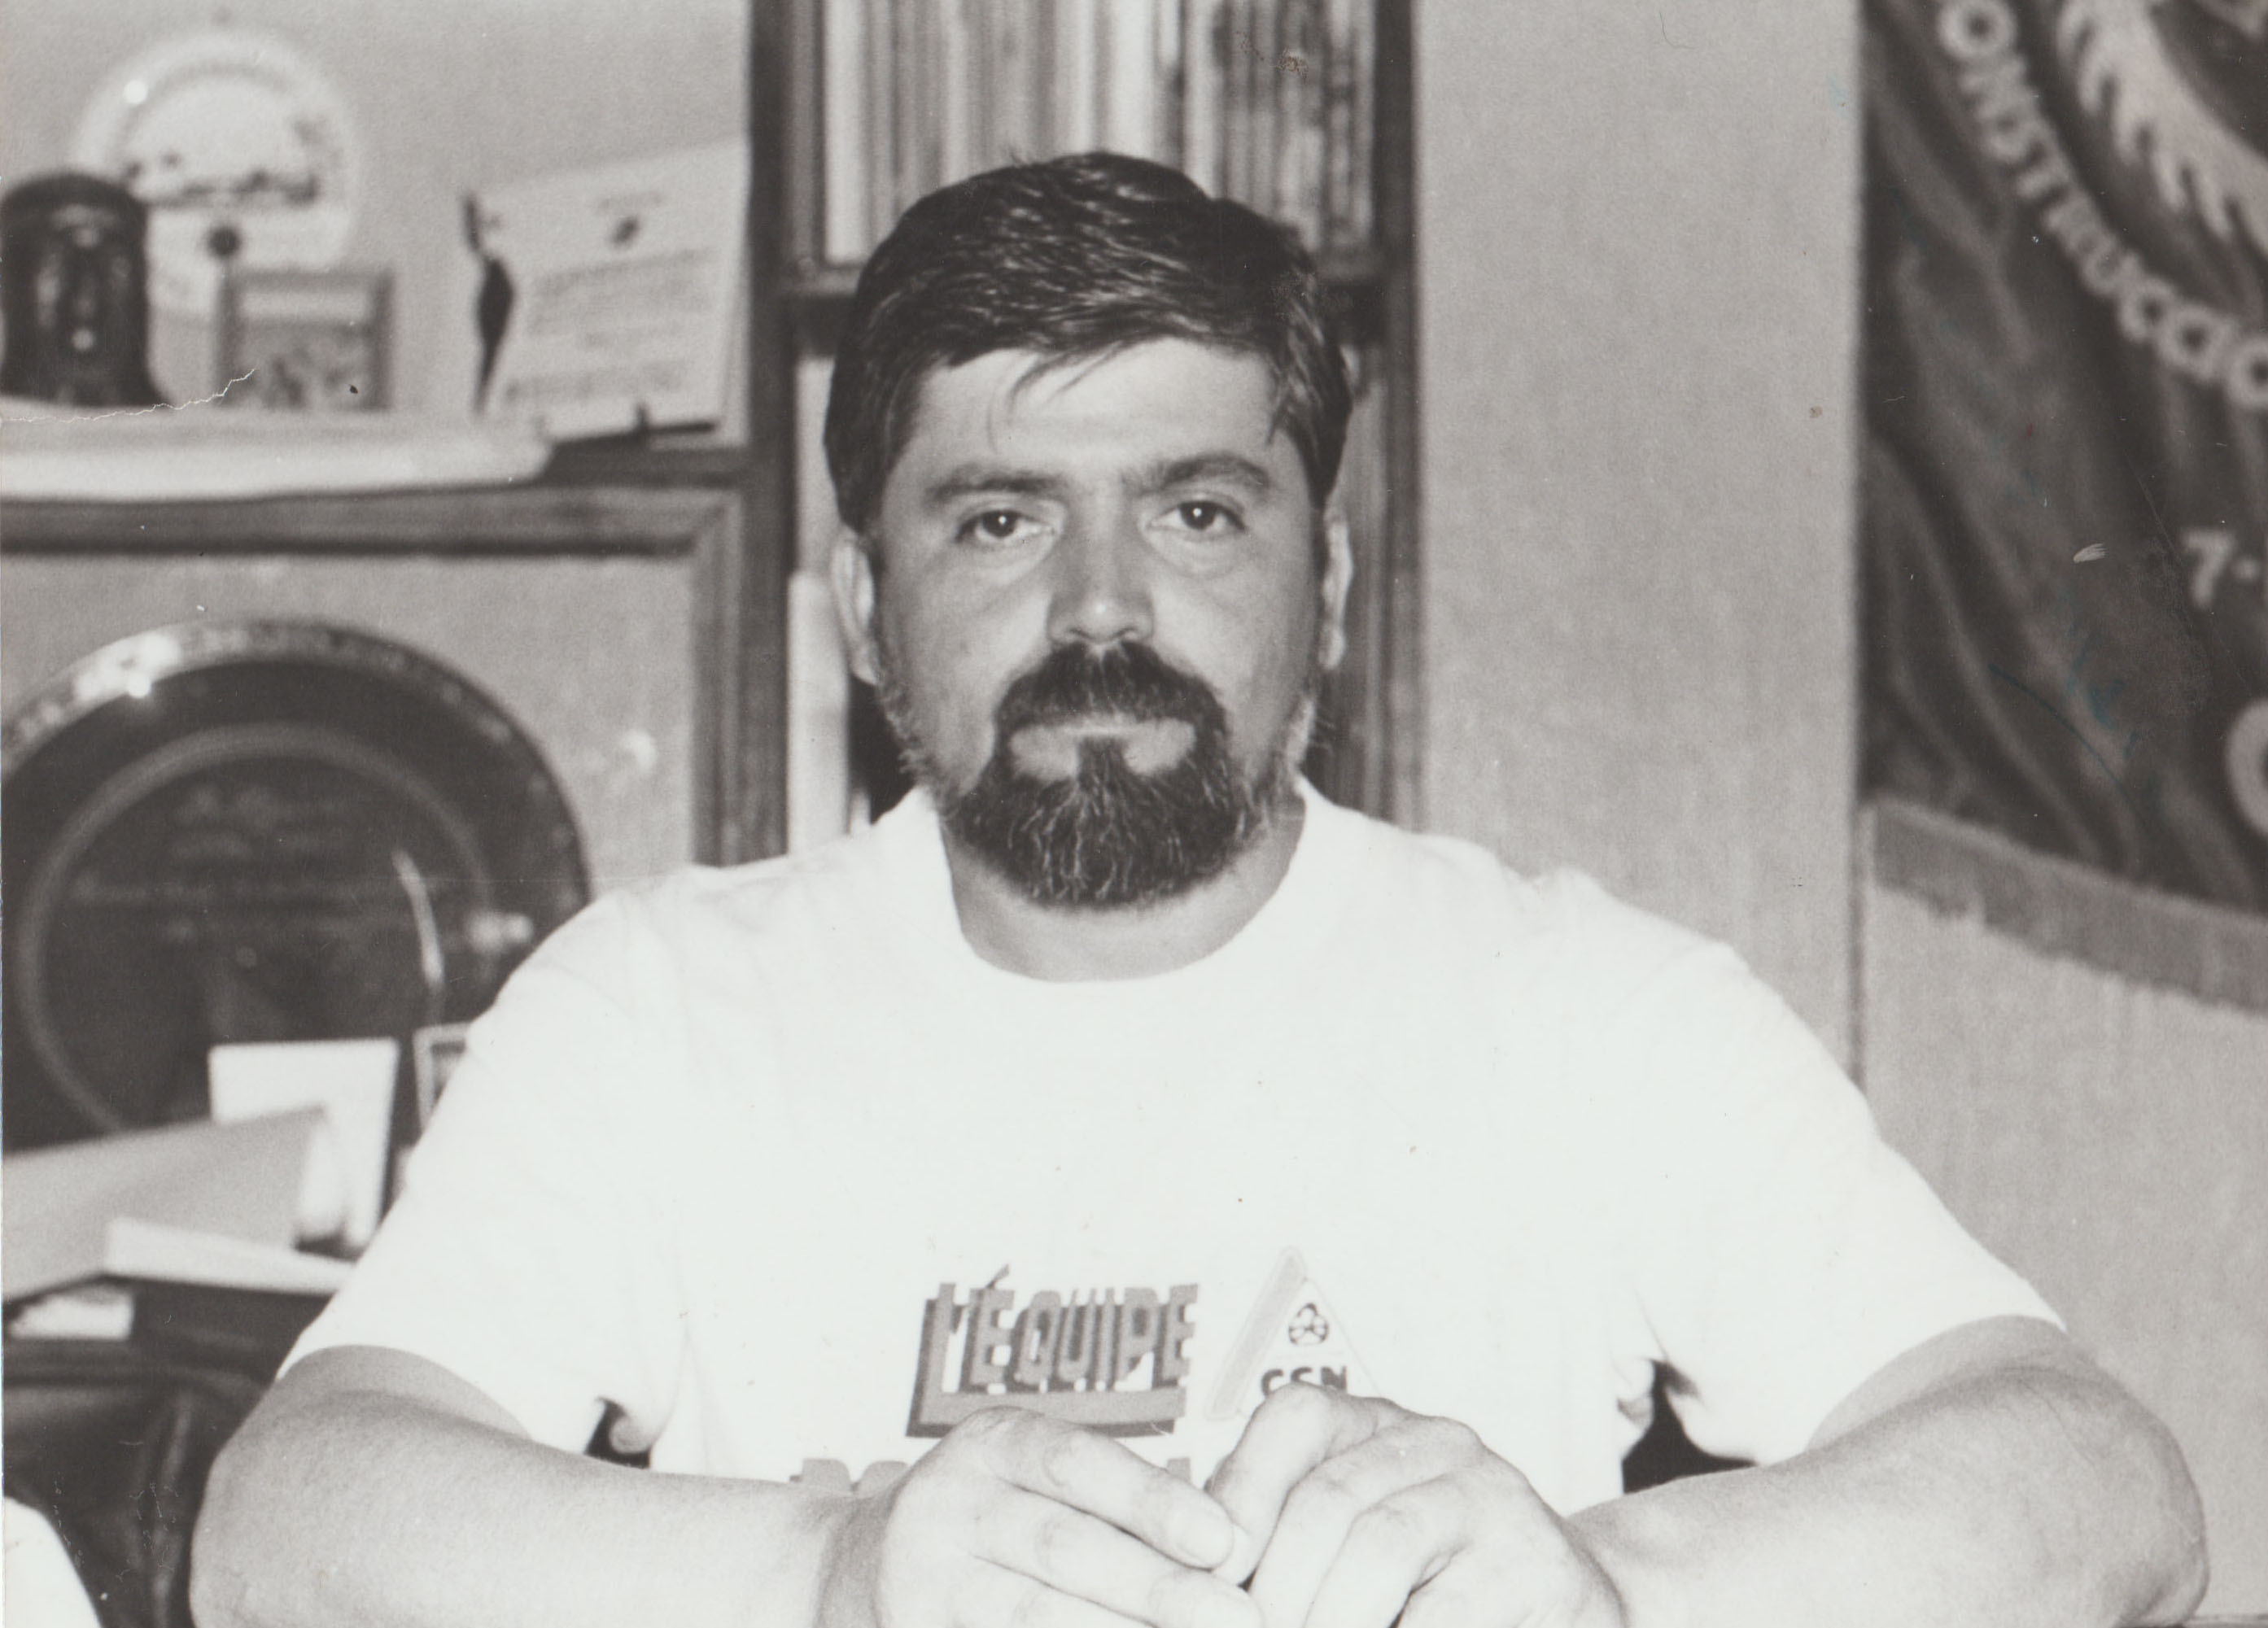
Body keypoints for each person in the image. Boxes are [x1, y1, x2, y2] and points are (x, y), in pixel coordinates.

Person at [192, 153, 2207, 1628]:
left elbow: (2105, 1487)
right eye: (1000, 519)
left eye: (1197, 511)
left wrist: (1604, 1583)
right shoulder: (654, 1004)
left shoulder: (1587, 1003)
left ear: (1322, 585)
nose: (1101, 610)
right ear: (863, 610)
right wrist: (827, 1571)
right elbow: (278, 1529)